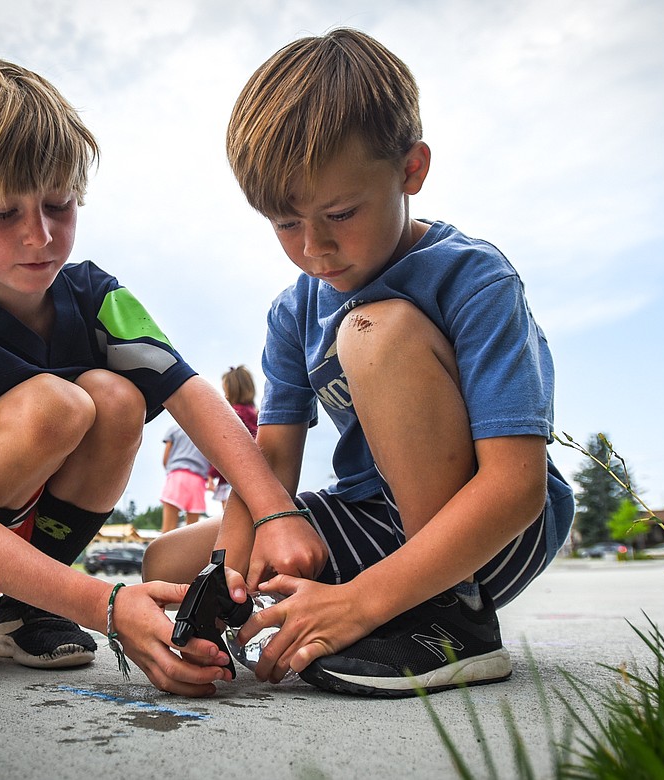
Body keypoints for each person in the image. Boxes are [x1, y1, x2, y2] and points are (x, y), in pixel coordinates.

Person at [0, 58, 299, 696]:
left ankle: (31, 607)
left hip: (32, 535)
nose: (40, 234)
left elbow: (191, 394)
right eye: (4, 213)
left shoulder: (94, 294)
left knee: (115, 397)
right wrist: (105, 605)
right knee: (56, 405)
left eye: (58, 204)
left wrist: (276, 511)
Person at [143, 28, 575, 698]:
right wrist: (226, 578)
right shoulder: (293, 312)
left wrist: (362, 603)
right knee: (166, 559)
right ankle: (355, 602)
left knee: (374, 332)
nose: (315, 247)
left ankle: (450, 617)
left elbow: (516, 487)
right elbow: (273, 465)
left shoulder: (473, 279)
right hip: (377, 515)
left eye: (340, 213)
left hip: (491, 530)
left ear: (411, 169)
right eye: (286, 224)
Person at [208, 365, 259, 509]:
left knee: (230, 520)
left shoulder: (232, 415)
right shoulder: (257, 414)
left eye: (226, 392)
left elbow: (225, 448)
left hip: (231, 478)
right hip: (254, 476)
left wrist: (212, 473)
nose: (225, 396)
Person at [159, 424, 211, 533]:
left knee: (167, 530)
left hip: (177, 476)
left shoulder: (174, 429)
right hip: (198, 480)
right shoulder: (208, 431)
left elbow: (165, 459)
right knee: (192, 531)